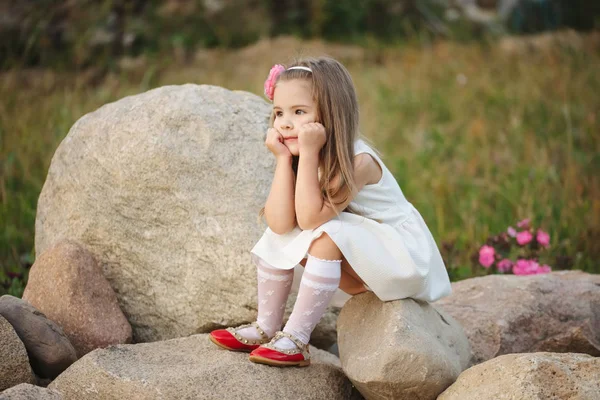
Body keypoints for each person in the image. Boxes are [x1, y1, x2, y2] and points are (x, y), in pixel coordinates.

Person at [209, 56, 452, 367]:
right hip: (361, 263)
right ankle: (266, 326)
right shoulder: (307, 157)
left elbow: (312, 219)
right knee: (285, 233)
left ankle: (297, 338)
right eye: (279, 113)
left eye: (299, 112)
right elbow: (280, 224)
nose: (284, 123)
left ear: (332, 114)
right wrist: (284, 160)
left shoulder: (360, 161)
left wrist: (307, 152)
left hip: (400, 259)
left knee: (324, 233)